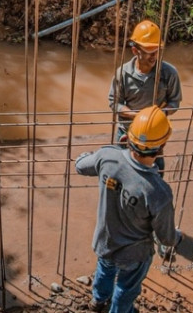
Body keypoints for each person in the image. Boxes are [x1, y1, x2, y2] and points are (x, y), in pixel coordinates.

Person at [76, 105, 182, 313]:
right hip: (134, 254)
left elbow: (80, 165)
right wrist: (178, 237)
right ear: (162, 146)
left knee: (105, 270)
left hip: (105, 241)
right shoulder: (159, 192)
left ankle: (98, 301)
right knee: (126, 288)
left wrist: (95, 158)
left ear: (127, 137)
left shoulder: (107, 157)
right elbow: (167, 238)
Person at [109, 20, 182, 175]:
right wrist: (137, 116)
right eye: (149, 51)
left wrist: (155, 117)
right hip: (127, 132)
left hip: (155, 136)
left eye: (157, 50)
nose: (154, 56)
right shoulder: (123, 73)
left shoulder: (169, 73)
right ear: (135, 51)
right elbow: (115, 103)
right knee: (122, 174)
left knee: (156, 174)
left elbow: (174, 102)